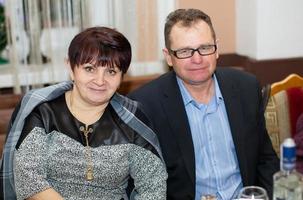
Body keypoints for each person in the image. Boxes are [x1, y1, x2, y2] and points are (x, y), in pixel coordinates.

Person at [128, 8, 279, 200]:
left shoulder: (247, 89)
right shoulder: (145, 105)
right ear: (168, 57)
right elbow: (140, 184)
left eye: (205, 48)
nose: (197, 59)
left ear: (216, 48)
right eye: (184, 51)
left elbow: (266, 160)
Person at [0, 27, 167, 200]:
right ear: (71, 68)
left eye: (111, 72)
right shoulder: (43, 111)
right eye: (89, 69)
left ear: (121, 76)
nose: (100, 81)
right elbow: (29, 179)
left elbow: (153, 188)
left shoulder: (133, 119)